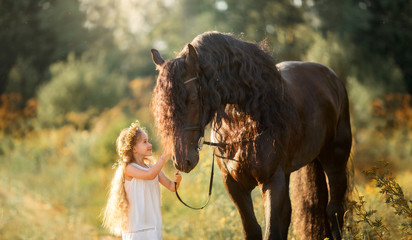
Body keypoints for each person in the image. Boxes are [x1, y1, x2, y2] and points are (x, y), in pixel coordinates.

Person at [103, 120, 182, 240]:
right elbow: (149, 175)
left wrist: (177, 181)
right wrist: (164, 155)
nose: (149, 144)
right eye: (145, 142)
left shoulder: (152, 167)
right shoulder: (128, 168)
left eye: (148, 141)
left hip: (154, 227)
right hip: (136, 229)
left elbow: (172, 187)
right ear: (133, 148)